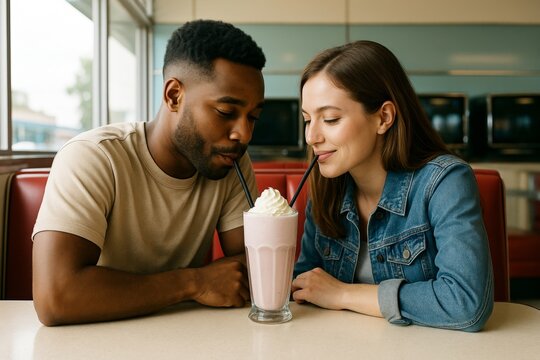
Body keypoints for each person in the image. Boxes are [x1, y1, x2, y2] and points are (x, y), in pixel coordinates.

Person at [32, 20, 266, 326]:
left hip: (189, 338)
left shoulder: (230, 160)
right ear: (173, 95)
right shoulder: (94, 156)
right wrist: (194, 283)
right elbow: (57, 297)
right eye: (225, 112)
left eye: (253, 117)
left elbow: (253, 266)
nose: (243, 134)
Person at [291, 40, 493, 332]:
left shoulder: (444, 183)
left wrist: (344, 294)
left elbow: (466, 303)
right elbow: (306, 284)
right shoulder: (326, 187)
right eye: (308, 120)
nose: (312, 136)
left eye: (331, 119)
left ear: (383, 117)